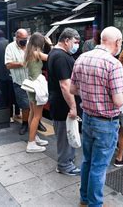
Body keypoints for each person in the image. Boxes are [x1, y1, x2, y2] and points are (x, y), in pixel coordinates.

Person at [70, 26, 123, 207]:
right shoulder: (113, 64)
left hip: (87, 118)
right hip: (106, 123)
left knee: (87, 161)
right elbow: (119, 101)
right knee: (99, 166)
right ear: (117, 42)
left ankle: (84, 199)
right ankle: (95, 204)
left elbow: (72, 89)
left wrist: (90, 93)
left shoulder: (81, 58)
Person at [47, 28, 82, 175]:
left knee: (67, 133)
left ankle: (68, 162)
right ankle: (64, 165)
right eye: (75, 42)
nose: (76, 45)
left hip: (60, 102)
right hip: (63, 105)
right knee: (65, 135)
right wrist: (73, 107)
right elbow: (65, 84)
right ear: (66, 40)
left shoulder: (54, 53)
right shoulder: (61, 57)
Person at [24, 32, 51, 153]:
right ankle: (31, 143)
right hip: (37, 87)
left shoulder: (28, 53)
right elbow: (51, 57)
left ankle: (33, 137)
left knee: (32, 114)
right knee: (37, 116)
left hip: (31, 87)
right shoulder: (37, 53)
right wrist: (51, 44)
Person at [0, 30, 14, 122]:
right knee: (13, 94)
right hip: (12, 73)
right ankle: (18, 113)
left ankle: (9, 115)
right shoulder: (10, 43)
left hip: (1, 75)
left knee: (5, 96)